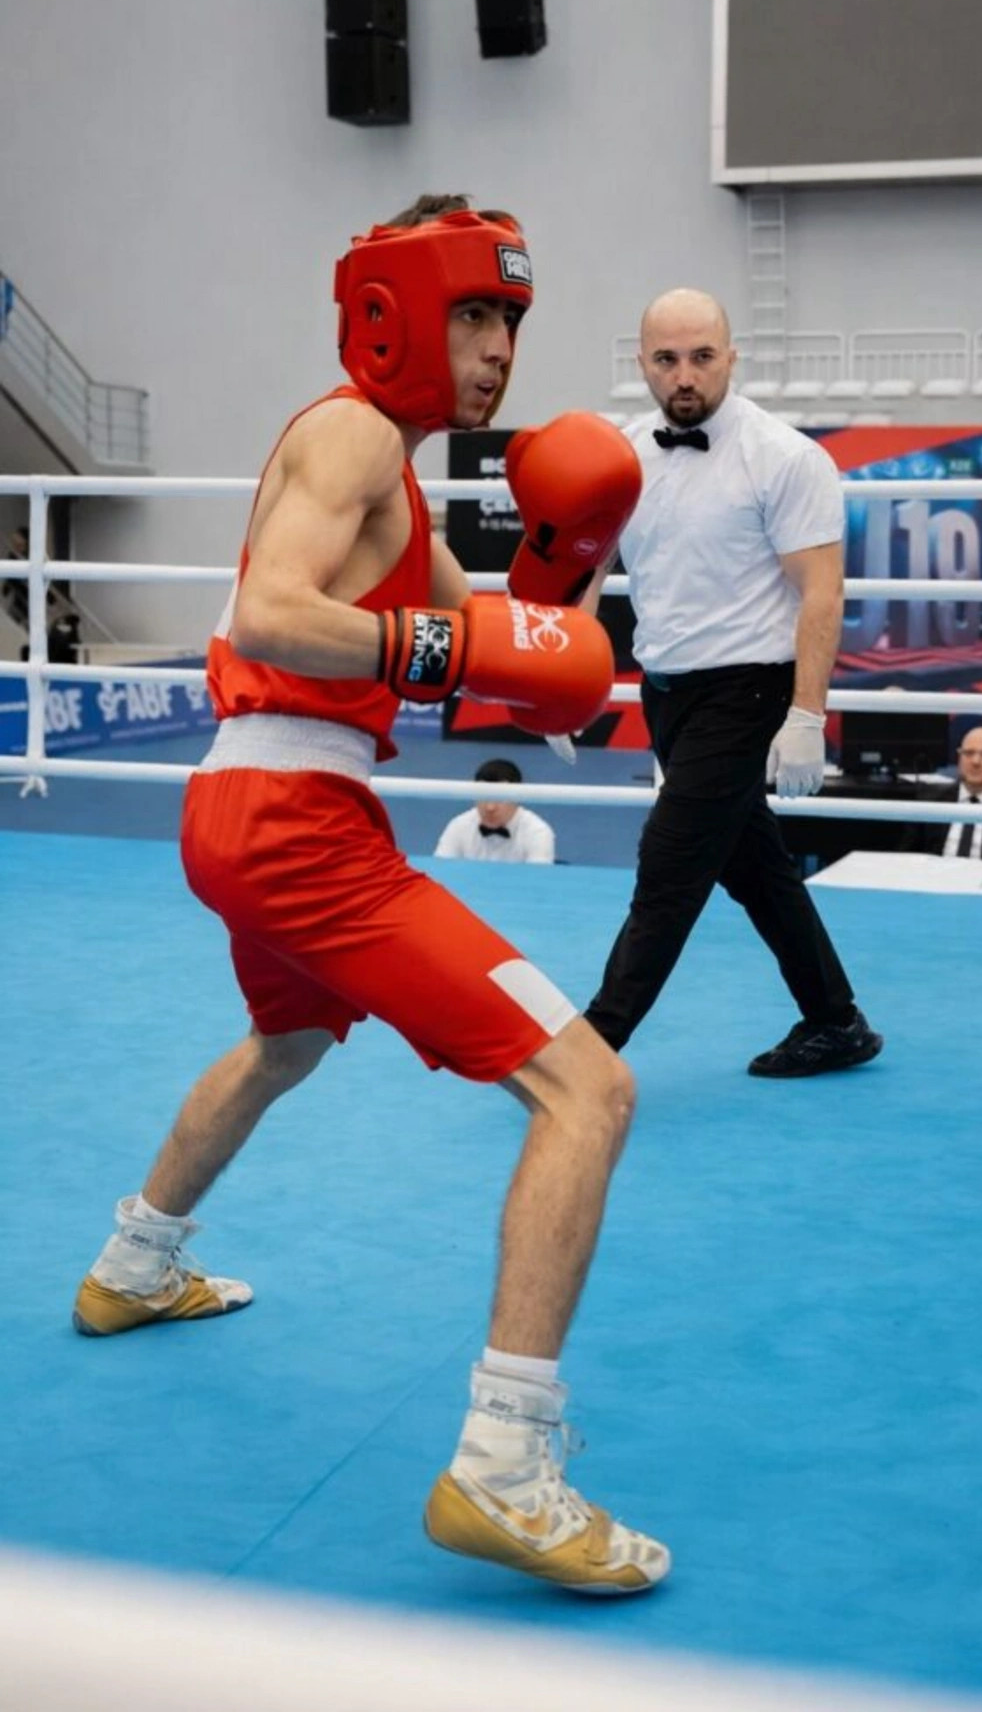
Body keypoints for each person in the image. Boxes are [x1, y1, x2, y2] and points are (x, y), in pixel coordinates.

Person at [71, 196, 669, 1595]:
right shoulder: (348, 434)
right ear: (396, 314)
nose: (499, 348)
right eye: (476, 315)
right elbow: (275, 613)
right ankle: (504, 1465)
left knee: (285, 1042)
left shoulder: (394, 476)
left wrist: (563, 568)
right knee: (591, 1091)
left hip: (263, 807)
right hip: (292, 820)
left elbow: (499, 663)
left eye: (512, 320)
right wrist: (450, 646)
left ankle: (134, 1262)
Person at [579, 288, 883, 1080]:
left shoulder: (784, 456)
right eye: (667, 358)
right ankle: (835, 1020)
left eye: (702, 356)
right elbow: (591, 568)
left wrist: (807, 714)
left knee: (669, 867)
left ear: (731, 357)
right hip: (667, 692)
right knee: (757, 870)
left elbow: (822, 591)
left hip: (748, 690)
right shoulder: (623, 454)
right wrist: (556, 678)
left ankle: (586, 1052)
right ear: (642, 363)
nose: (685, 375)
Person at [901, 724, 982, 865]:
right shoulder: (928, 802)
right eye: (969, 753)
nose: (975, 761)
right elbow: (906, 860)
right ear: (959, 756)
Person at [435, 756, 555, 862]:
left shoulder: (538, 832)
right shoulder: (458, 826)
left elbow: (537, 879)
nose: (490, 807)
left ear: (517, 797)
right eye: (483, 797)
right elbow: (439, 873)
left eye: (499, 798)